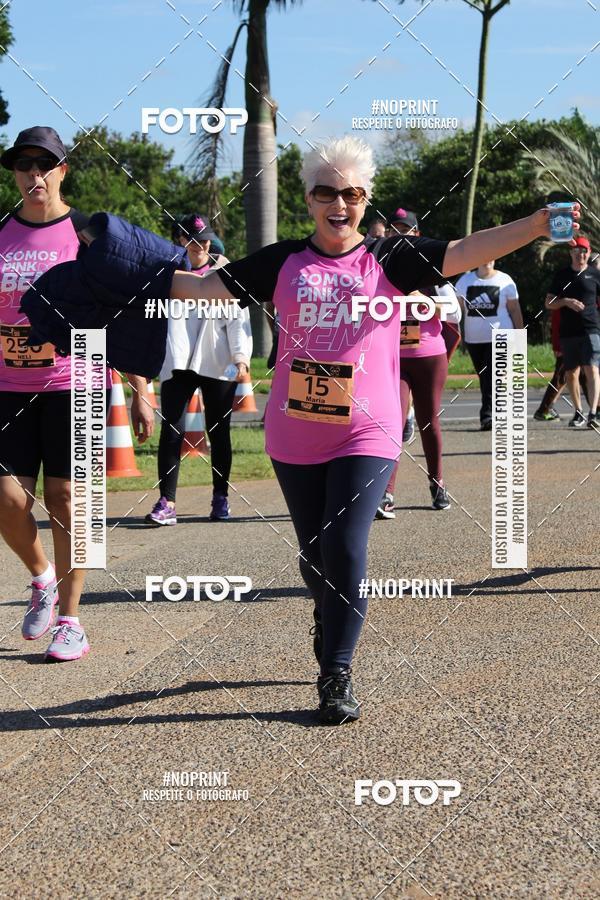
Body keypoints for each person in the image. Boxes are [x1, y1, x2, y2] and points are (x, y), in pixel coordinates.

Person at [23, 137, 581, 722]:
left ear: (365, 199)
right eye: (325, 193)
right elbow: (198, 288)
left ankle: (335, 674)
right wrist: (104, 266)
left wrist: (538, 223)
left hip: (368, 432)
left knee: (345, 549)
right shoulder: (281, 261)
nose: (338, 204)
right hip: (294, 433)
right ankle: (328, 604)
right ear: (308, 198)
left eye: (351, 193)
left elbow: (470, 248)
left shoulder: (393, 260)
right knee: (316, 558)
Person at [0, 126, 152, 662]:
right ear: (15, 173)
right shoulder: (0, 234)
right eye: (23, 165)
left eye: (44, 164)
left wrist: (140, 389)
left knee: (72, 503)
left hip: (78, 382)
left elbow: (125, 315)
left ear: (63, 170)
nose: (33, 174)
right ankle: (41, 576)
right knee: (6, 498)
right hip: (8, 386)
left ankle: (71, 619)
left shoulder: (88, 236)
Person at [146, 214, 252, 525]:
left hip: (217, 362)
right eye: (192, 239)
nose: (199, 245)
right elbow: (154, 318)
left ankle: (221, 498)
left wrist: (241, 357)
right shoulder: (168, 273)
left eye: (204, 238)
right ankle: (167, 501)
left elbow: (237, 319)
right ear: (181, 240)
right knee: (172, 431)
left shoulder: (225, 273)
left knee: (219, 433)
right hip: (178, 362)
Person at [376, 208, 460, 517]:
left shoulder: (430, 269)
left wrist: (422, 301)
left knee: (428, 422)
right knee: (392, 425)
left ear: (416, 234)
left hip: (428, 356)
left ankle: (437, 483)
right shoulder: (379, 267)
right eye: (394, 230)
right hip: (393, 357)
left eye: (405, 230)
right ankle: (386, 492)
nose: (399, 235)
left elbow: (454, 310)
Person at [455, 260, 523, 431]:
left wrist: (519, 335)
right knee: (485, 376)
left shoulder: (505, 280)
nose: (487, 260)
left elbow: (514, 309)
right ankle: (499, 411)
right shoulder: (465, 282)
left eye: (492, 257)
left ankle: (487, 415)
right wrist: (456, 336)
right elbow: (457, 312)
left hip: (501, 334)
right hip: (474, 338)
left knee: (491, 375)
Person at [544, 235, 600, 428]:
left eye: (584, 251)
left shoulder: (595, 275)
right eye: (577, 251)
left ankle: (593, 412)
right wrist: (566, 301)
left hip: (591, 329)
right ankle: (578, 412)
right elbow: (548, 302)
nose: (580, 254)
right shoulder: (562, 275)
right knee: (571, 373)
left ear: (589, 253)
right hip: (568, 332)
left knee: (591, 368)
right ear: (571, 253)